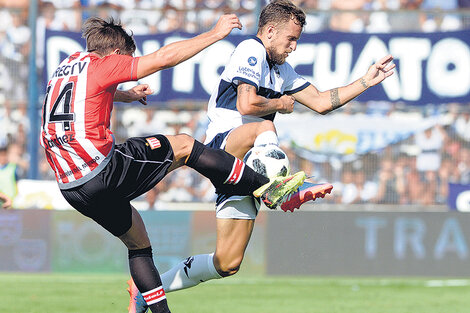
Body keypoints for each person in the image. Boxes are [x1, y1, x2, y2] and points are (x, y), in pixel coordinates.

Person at [128, 0, 395, 312]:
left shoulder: (281, 69)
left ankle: (146, 291)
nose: (294, 47)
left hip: (247, 165)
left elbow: (322, 102)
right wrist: (280, 104)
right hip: (224, 147)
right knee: (262, 125)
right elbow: (246, 105)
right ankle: (282, 188)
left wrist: (366, 81)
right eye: (291, 39)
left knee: (227, 262)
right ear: (270, 31)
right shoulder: (250, 50)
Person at [41, 14, 312, 313]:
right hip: (102, 170)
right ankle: (268, 189)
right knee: (184, 145)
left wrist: (125, 96)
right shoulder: (104, 64)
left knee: (138, 243)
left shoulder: (67, 66)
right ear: (117, 55)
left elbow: (79, 97)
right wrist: (214, 34)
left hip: (71, 186)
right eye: (126, 62)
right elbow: (163, 58)